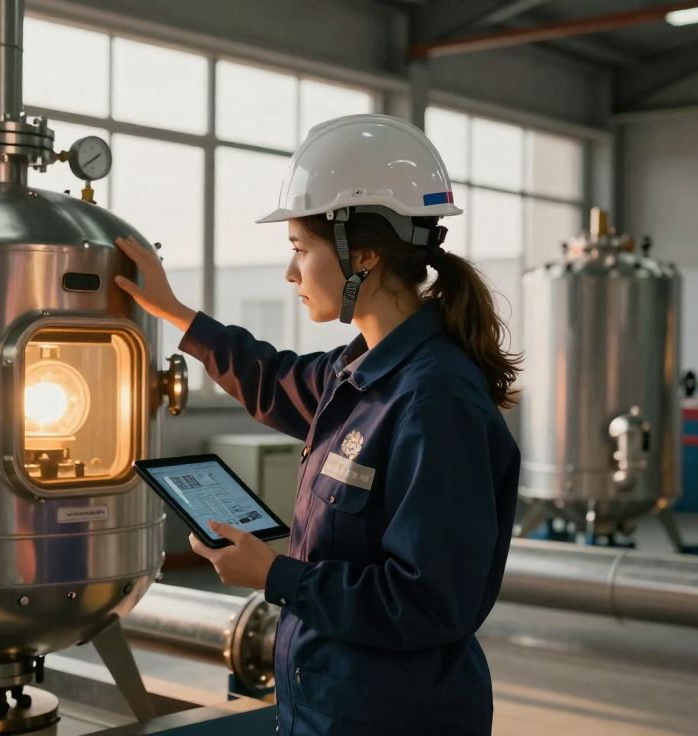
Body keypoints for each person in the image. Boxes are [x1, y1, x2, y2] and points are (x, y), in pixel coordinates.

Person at [114, 114, 521, 735]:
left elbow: (431, 604)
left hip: (394, 716)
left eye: (300, 250)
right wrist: (173, 311)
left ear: (362, 255)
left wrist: (275, 577)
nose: (290, 273)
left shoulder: (434, 403)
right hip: (330, 703)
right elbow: (269, 377)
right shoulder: (356, 372)